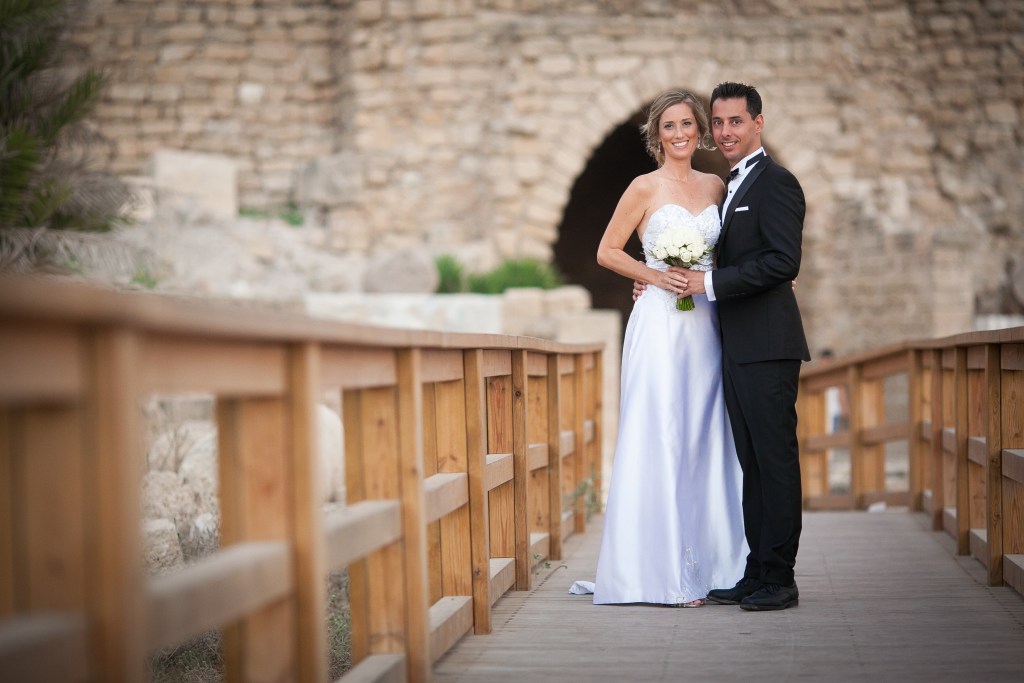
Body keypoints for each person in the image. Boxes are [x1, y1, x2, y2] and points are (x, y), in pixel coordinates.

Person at [583, 88, 747, 608]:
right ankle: (660, 570)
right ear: (656, 135)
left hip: (706, 322)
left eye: (688, 125)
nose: (680, 134)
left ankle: (717, 563)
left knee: (706, 431)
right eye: (669, 127)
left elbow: (728, 255)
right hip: (658, 324)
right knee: (660, 429)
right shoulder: (642, 187)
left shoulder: (717, 185)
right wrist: (652, 276)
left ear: (700, 131)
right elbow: (608, 251)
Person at [665, 82, 811, 611]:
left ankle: (782, 577)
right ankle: (757, 568)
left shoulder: (776, 183)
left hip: (769, 345)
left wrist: (709, 285)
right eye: (719, 123)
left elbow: (782, 262)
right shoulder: (733, 187)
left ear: (757, 123)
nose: (726, 132)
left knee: (774, 461)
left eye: (736, 122)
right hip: (738, 346)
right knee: (750, 462)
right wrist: (656, 279)